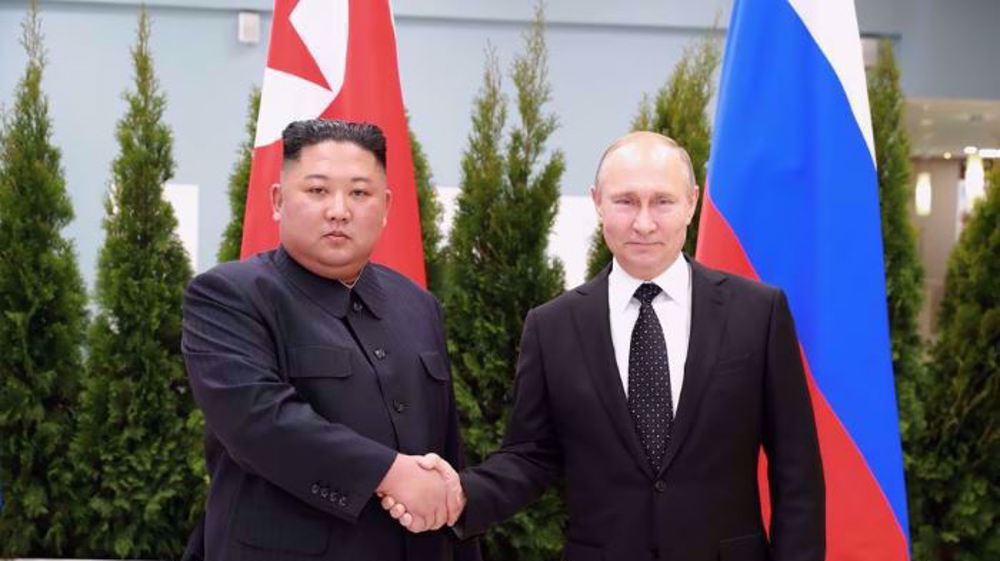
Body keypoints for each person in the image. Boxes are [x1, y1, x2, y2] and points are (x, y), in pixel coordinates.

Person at [383, 131, 825, 561]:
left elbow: (797, 471)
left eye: (663, 201)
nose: (644, 222)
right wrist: (462, 495)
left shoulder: (758, 313)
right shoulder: (552, 326)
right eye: (626, 201)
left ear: (691, 202)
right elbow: (530, 456)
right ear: (597, 202)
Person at [182, 119, 478, 561]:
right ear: (279, 201)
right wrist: (390, 473)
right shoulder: (229, 296)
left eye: (360, 193)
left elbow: (446, 450)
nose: (339, 210)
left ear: (386, 206)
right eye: (317, 191)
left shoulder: (418, 304)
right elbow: (261, 423)